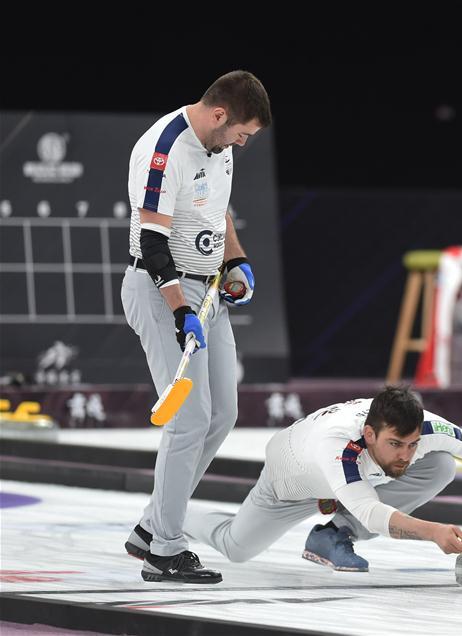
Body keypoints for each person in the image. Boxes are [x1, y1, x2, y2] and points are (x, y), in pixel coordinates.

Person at [121, 70, 272, 584]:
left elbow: (217, 210)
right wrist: (180, 310)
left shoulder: (218, 145)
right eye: (242, 134)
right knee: (188, 420)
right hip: (162, 288)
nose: (242, 145)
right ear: (219, 115)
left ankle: (150, 527)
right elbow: (152, 242)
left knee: (222, 414)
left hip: (207, 292)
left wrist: (238, 262)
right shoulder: (164, 149)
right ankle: (164, 549)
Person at [181, 387, 462, 570]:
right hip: (291, 482)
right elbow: (372, 513)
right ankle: (171, 516)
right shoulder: (337, 444)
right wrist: (433, 532)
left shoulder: (426, 431)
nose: (405, 456)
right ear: (370, 434)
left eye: (411, 444)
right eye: (395, 445)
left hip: (351, 483)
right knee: (237, 547)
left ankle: (332, 535)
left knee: (441, 464)